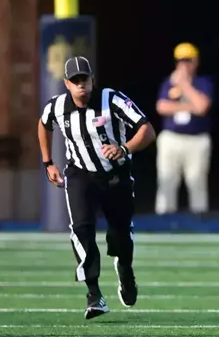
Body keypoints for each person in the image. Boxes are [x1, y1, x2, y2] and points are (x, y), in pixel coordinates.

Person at [38, 56, 156, 319]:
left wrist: (124, 148)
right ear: (67, 84)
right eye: (75, 80)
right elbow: (43, 124)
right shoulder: (57, 106)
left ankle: (125, 269)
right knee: (81, 229)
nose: (82, 85)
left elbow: (147, 130)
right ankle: (93, 294)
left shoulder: (112, 100)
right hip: (80, 174)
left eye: (85, 79)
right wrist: (48, 162)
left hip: (116, 175)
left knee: (120, 235)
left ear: (93, 79)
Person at [154, 43, 214, 215]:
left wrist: (185, 85)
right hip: (171, 138)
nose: (183, 65)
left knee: (196, 182)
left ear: (195, 62)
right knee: (167, 181)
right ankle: (164, 221)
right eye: (180, 61)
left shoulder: (203, 82)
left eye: (188, 60)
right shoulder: (169, 82)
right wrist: (190, 107)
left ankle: (199, 221)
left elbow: (203, 106)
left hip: (197, 139)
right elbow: (162, 107)